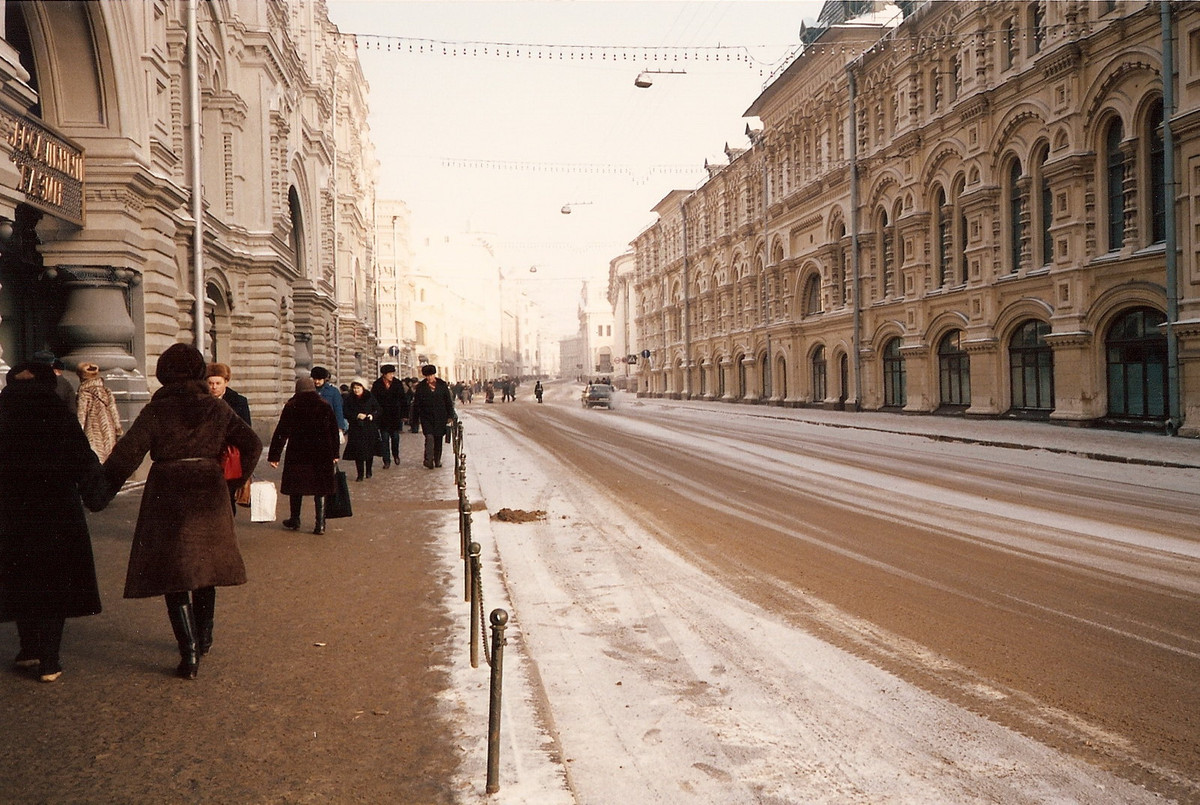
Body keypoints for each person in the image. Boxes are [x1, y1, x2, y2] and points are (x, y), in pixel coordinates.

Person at [102, 343, 262, 680]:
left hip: (167, 491)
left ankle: (188, 651)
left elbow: (126, 455)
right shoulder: (217, 409)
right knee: (207, 568)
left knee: (174, 574)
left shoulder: (156, 411)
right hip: (209, 490)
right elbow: (252, 443)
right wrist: (234, 481)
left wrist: (99, 492)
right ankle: (205, 638)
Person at [0, 362, 108, 683]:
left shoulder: (1, 413)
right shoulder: (57, 413)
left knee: (20, 576)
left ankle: (28, 647)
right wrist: (97, 495)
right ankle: (49, 659)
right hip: (55, 513)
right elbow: (82, 459)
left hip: (9, 512)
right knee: (52, 582)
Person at [268, 377, 340, 535]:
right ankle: (320, 524)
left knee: (296, 486)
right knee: (320, 488)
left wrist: (274, 456)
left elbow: (281, 432)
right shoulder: (324, 405)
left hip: (298, 453)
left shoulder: (292, 406)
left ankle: (295, 519)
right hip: (322, 452)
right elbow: (333, 432)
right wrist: (335, 454)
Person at [207, 363, 252, 514]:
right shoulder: (201, 402)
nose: (214, 387)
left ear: (226, 382)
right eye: (210, 383)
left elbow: (247, 433)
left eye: (218, 383)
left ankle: (228, 528)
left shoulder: (238, 402)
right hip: (208, 456)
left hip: (230, 456)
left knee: (228, 495)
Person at [410, 364, 456, 469]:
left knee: (438, 439)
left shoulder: (442, 385)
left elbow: (448, 401)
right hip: (426, 417)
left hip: (440, 417)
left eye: (431, 375)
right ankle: (428, 460)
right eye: (427, 376)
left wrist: (450, 415)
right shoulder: (421, 387)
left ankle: (437, 459)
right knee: (429, 438)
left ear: (434, 375)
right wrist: (415, 419)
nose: (429, 378)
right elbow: (417, 404)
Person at [76, 362, 124, 461]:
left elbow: (81, 415)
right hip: (108, 429)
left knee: (95, 459)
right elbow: (113, 411)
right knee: (108, 458)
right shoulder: (106, 391)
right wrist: (118, 429)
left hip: (92, 431)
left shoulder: (84, 393)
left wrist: (78, 433)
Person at [342, 377, 380, 481]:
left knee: (369, 450)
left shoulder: (370, 397)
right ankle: (360, 474)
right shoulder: (349, 399)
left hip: (369, 428)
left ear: (363, 388)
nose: (356, 390)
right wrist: (356, 415)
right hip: (356, 428)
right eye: (354, 388)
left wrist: (372, 415)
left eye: (358, 388)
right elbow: (345, 412)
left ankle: (368, 470)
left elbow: (378, 409)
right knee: (358, 452)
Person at [371, 364, 407, 468]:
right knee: (384, 440)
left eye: (393, 373)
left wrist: (404, 414)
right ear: (384, 374)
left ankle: (395, 454)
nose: (392, 375)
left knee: (395, 438)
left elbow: (403, 400)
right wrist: (374, 414)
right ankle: (386, 460)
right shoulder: (377, 384)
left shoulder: (397, 383)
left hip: (395, 415)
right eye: (390, 373)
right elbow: (373, 400)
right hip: (382, 417)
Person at [310, 366, 347, 435]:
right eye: (315, 379)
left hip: (329, 426)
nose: (317, 381)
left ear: (324, 379)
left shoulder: (333, 391)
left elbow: (338, 409)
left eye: (319, 379)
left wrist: (340, 429)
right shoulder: (310, 390)